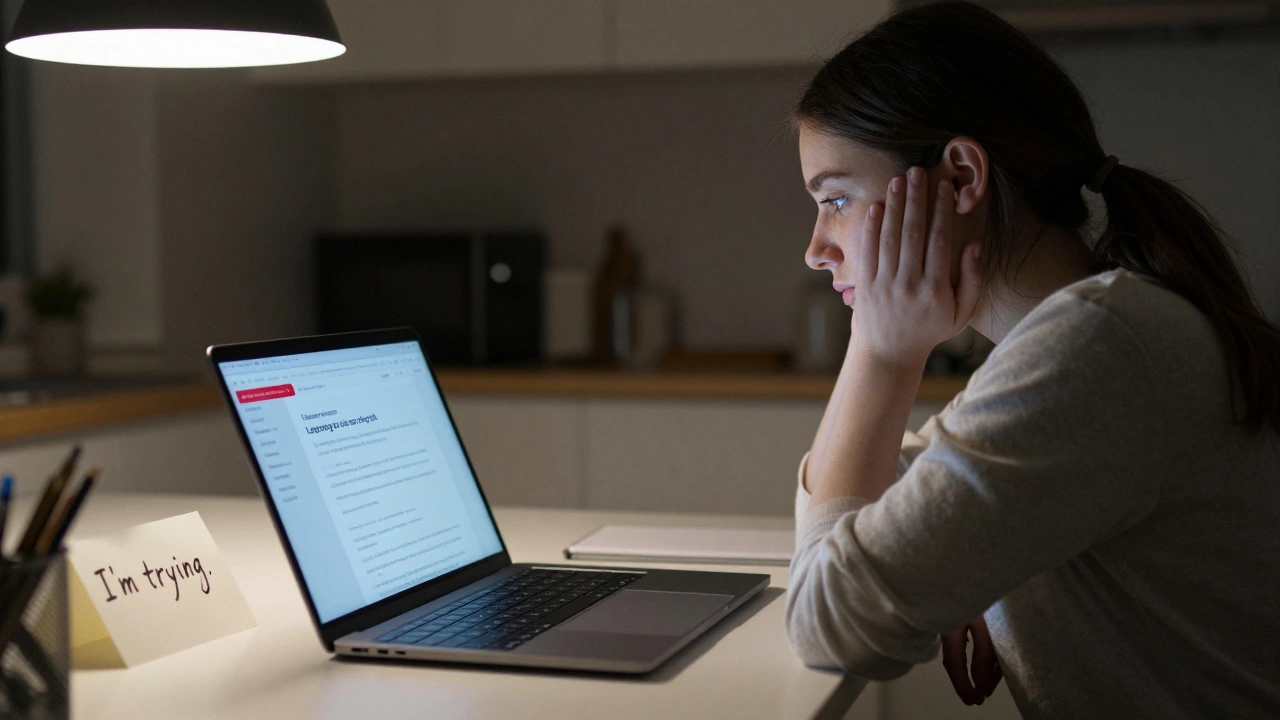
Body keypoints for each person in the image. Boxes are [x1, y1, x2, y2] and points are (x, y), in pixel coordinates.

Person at [784, 2, 1280, 717]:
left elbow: (830, 619)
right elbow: (874, 514)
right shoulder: (1071, 340)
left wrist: (882, 352)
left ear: (958, 179)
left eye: (835, 198)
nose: (816, 247)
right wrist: (930, 554)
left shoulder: (1096, 347)